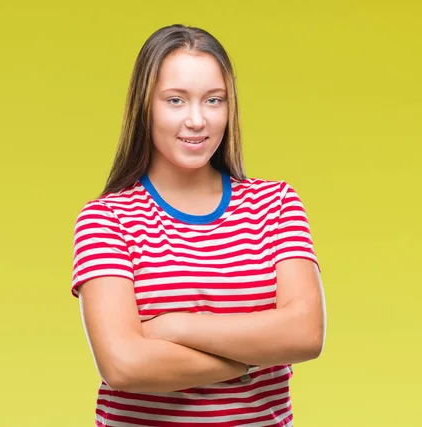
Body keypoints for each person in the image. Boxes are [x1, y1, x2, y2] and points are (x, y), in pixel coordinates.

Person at [70, 24, 326, 427]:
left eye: (213, 100)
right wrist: (253, 359)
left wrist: (173, 326)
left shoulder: (274, 203)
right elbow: (123, 364)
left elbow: (306, 334)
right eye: (175, 100)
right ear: (145, 107)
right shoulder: (107, 218)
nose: (196, 120)